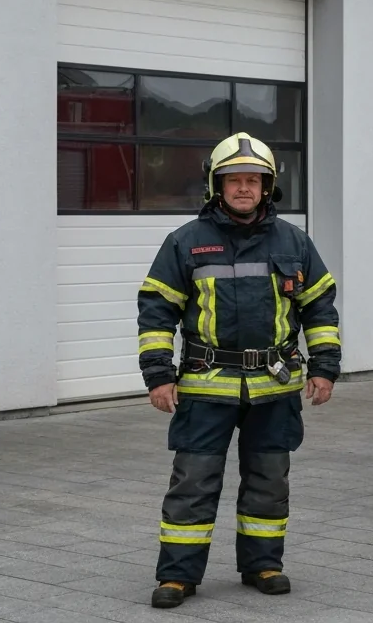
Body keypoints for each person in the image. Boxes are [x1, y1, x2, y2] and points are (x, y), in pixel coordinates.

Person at [136, 132, 341, 609]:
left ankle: (263, 565)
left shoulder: (295, 242)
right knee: (193, 482)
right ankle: (178, 577)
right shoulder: (185, 242)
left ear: (268, 188)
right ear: (216, 185)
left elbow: (320, 309)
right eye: (234, 180)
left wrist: (325, 367)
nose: (244, 188)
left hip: (274, 387)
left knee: (270, 480)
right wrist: (158, 375)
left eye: (253, 180)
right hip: (205, 388)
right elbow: (156, 312)